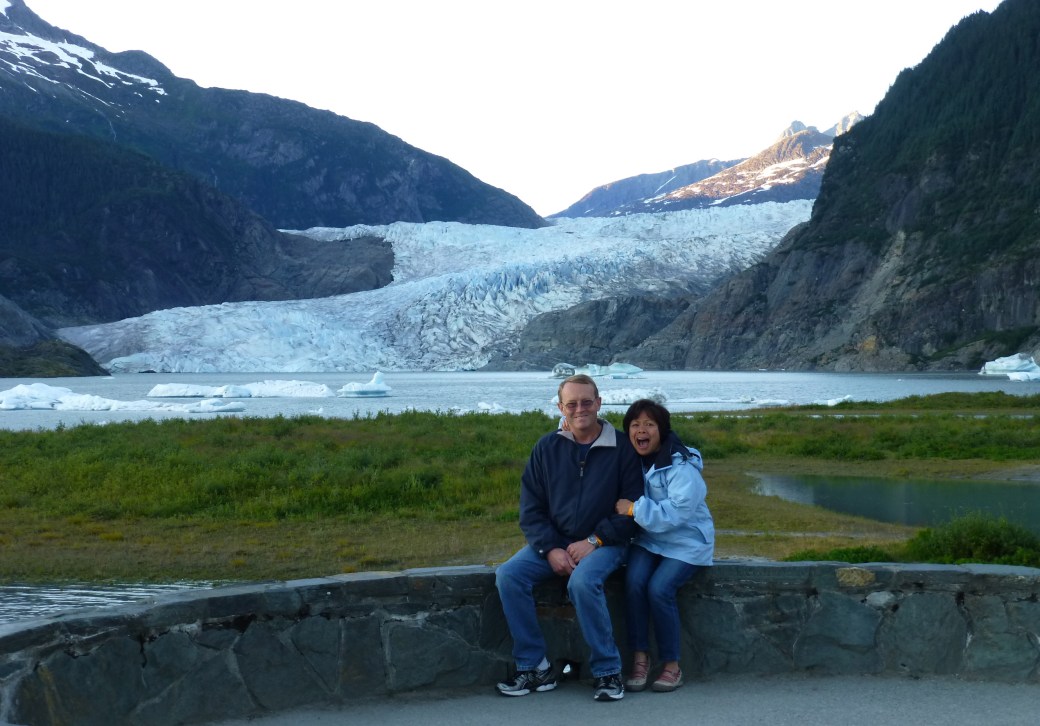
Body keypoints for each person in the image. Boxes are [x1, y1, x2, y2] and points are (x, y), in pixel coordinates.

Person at [495, 374, 644, 702]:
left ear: (599, 403)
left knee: (582, 583)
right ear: (561, 407)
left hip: (608, 543)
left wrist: (594, 541)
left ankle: (607, 671)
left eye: (587, 402)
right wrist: (550, 548)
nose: (580, 409)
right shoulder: (546, 448)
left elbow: (632, 512)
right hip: (555, 541)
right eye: (572, 403)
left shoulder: (622, 449)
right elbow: (531, 509)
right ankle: (535, 667)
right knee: (508, 575)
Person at [615, 398, 714, 693]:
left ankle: (672, 665)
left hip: (687, 541)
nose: (641, 430)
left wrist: (634, 509)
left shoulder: (681, 468)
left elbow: (676, 514)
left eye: (649, 424)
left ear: (662, 430)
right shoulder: (633, 459)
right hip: (650, 539)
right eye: (635, 425)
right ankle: (640, 657)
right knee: (633, 583)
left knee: (659, 589)